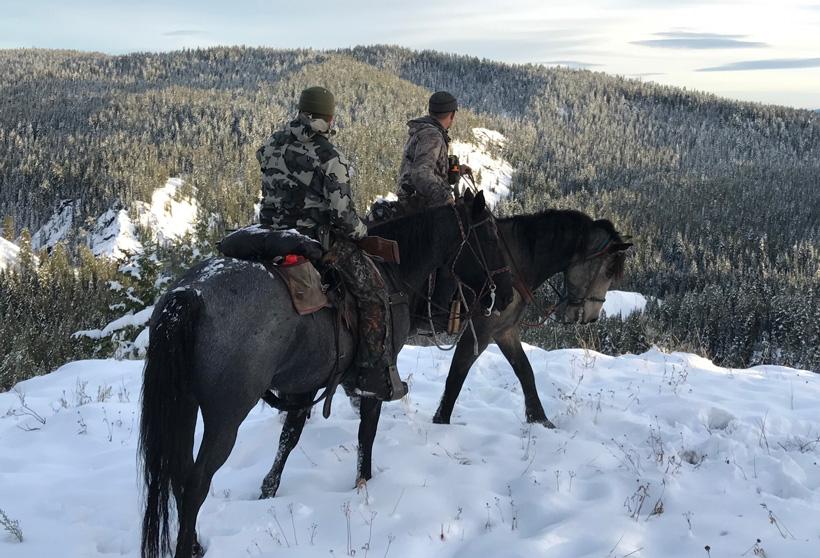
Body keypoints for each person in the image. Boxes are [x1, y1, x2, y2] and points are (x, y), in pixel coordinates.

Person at [256, 86, 407, 401]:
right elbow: (343, 216)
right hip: (313, 240)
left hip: (267, 235)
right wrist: (361, 230)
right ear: (329, 116)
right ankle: (369, 375)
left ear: (302, 111)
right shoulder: (329, 156)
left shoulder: (271, 143)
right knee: (374, 294)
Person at [394, 91, 472, 321]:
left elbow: (424, 166)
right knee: (458, 248)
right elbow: (421, 174)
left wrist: (454, 169)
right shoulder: (433, 136)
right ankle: (438, 312)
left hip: (414, 201)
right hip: (421, 206)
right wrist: (446, 198)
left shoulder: (425, 130)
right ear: (452, 115)